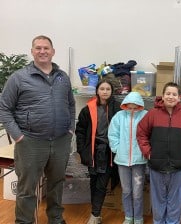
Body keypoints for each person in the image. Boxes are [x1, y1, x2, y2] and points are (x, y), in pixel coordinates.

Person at [0, 35, 76, 224]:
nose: (42, 51)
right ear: (32, 51)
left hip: (60, 141)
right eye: (38, 48)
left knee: (57, 183)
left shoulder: (62, 77)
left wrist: (70, 130)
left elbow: (71, 104)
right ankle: (24, 222)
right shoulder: (19, 78)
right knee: (27, 188)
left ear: (53, 51)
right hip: (30, 142)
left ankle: (56, 219)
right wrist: (17, 136)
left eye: (46, 48)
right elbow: (4, 108)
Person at [136, 82, 181, 224]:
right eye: (168, 94)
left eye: (174, 94)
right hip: (156, 166)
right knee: (158, 200)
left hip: (179, 167)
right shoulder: (152, 114)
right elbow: (141, 134)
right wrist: (148, 153)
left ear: (179, 97)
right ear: (163, 96)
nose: (171, 97)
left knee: (175, 201)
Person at [75, 79, 121, 224]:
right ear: (97, 91)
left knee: (102, 183)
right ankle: (95, 212)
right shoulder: (88, 109)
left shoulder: (118, 109)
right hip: (92, 151)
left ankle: (95, 215)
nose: (105, 91)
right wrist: (82, 149)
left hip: (108, 152)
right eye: (102, 89)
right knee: (93, 182)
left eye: (108, 89)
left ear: (112, 91)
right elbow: (80, 130)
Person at [108, 91, 148, 224]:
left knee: (137, 192)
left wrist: (145, 151)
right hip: (122, 160)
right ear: (125, 106)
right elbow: (113, 134)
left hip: (139, 160)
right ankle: (128, 216)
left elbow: (150, 134)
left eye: (135, 107)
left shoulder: (146, 116)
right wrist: (117, 149)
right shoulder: (119, 116)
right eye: (129, 107)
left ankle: (138, 217)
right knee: (126, 190)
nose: (132, 110)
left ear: (140, 106)